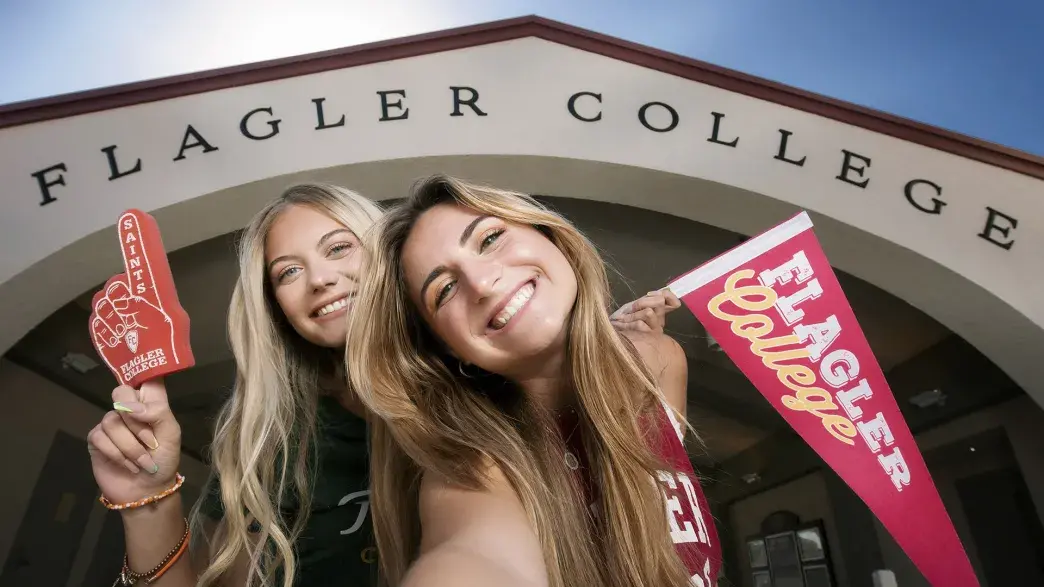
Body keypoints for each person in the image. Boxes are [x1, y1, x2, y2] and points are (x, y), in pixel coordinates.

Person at [84, 182, 681, 587]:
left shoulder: (482, 399)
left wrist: (600, 340)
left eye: (340, 247)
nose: (320, 279)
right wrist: (149, 499)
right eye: (288, 273)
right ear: (275, 309)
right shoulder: (271, 444)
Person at [347, 175, 720, 587]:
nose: (483, 282)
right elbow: (475, 552)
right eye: (445, 288)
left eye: (489, 240)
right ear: (447, 348)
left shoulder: (659, 358)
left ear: (551, 238)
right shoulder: (474, 466)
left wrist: (607, 346)